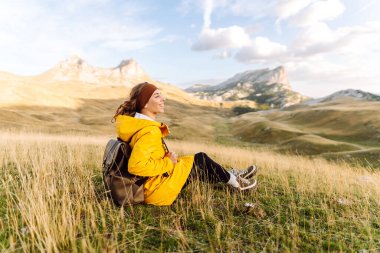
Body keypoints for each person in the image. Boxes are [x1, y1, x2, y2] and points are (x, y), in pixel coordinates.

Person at [113, 82, 257, 206]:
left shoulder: (139, 125)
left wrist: (166, 160)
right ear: (144, 103)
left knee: (193, 164)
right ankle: (238, 184)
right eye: (157, 96)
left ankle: (230, 175)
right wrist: (168, 162)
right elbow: (136, 166)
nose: (163, 99)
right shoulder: (149, 131)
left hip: (153, 183)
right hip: (156, 190)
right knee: (200, 160)